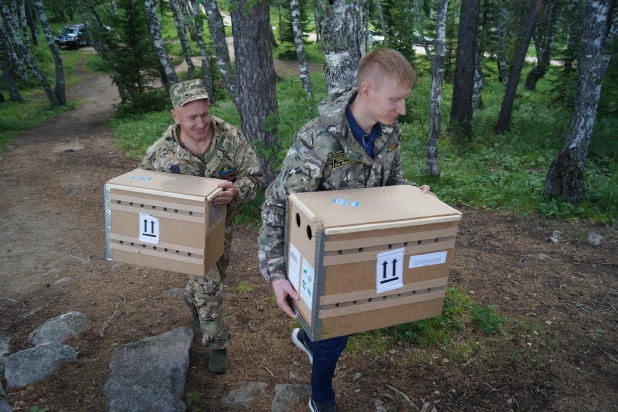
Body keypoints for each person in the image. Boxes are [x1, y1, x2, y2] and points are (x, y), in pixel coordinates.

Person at [258, 48, 434, 412]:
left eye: (404, 100)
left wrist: (412, 194)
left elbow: (392, 179)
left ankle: (310, 336)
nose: (401, 109)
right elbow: (279, 204)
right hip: (322, 253)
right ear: (367, 91)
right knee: (335, 335)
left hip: (362, 247)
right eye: (395, 99)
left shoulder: (387, 131)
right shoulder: (320, 140)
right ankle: (321, 397)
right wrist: (276, 274)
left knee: (338, 322)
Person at [140, 79, 264, 374]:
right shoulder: (160, 152)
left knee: (216, 275)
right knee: (210, 285)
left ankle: (190, 295)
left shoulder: (230, 138)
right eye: (192, 117)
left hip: (223, 226)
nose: (200, 123)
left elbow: (255, 178)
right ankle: (218, 342)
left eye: (204, 114)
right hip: (185, 233)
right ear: (176, 116)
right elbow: (141, 191)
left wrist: (236, 191)